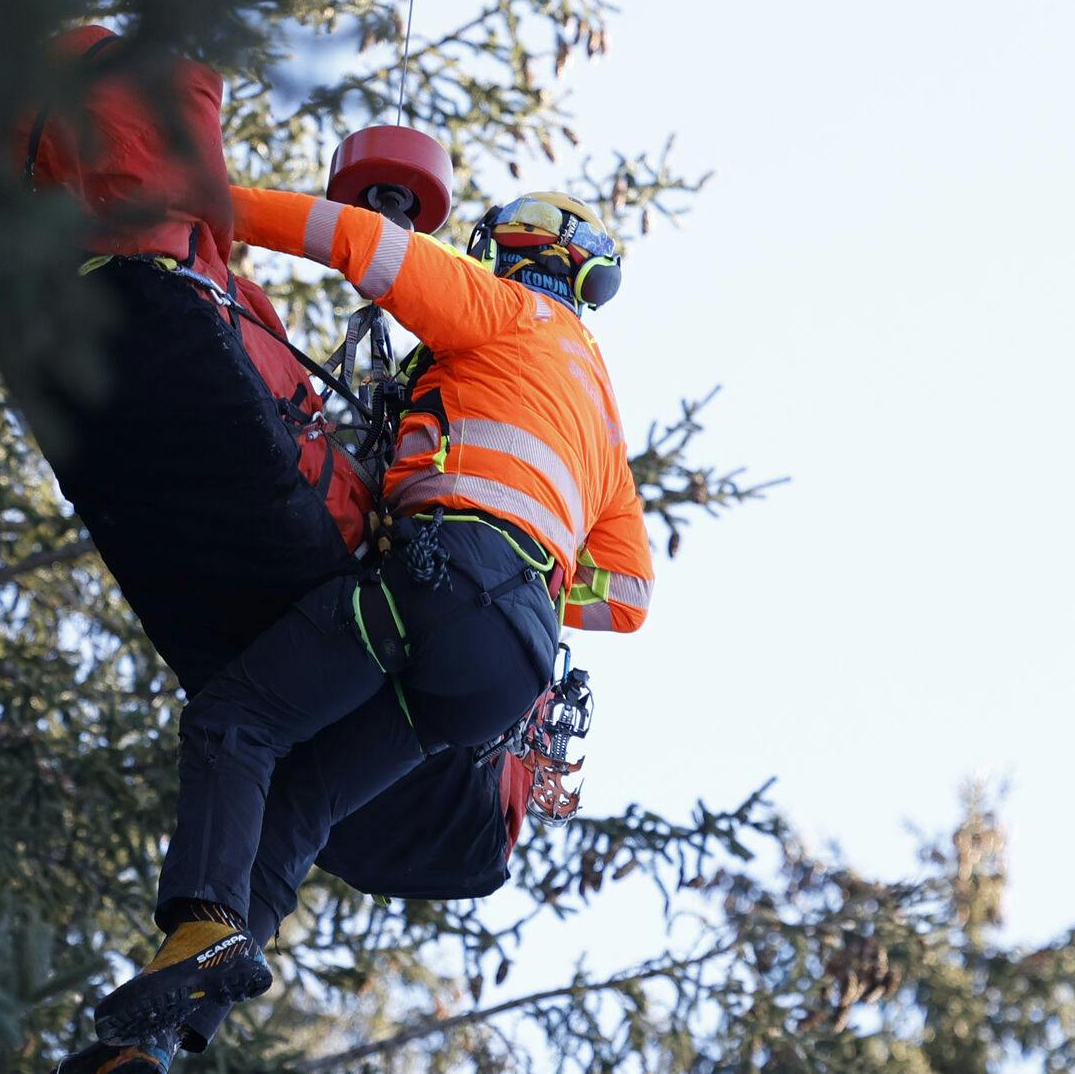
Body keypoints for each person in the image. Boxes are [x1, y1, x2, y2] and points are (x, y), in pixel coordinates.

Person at [89, 185, 656, 1052]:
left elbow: (356, 239)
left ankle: (203, 923)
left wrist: (210, 202)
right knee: (304, 801)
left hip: (442, 584)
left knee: (237, 719)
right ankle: (162, 1035)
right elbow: (628, 596)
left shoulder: (503, 312)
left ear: (516, 250)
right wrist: (535, 572)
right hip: (509, 672)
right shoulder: (601, 423)